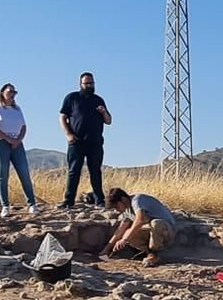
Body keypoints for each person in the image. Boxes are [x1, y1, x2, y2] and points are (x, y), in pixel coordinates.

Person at [0, 83, 40, 219]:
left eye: (14, 92)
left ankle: (32, 204)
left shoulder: (17, 109)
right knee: (2, 174)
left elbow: (23, 127)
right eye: (10, 91)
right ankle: (5, 206)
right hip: (0, 142)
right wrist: (6, 138)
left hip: (17, 143)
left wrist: (18, 140)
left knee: (24, 173)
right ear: (2, 92)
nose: (12, 94)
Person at [59, 72, 111, 208]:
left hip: (95, 142)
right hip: (77, 141)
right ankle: (68, 201)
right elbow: (62, 117)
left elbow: (109, 120)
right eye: (86, 83)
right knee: (74, 170)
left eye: (91, 83)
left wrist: (103, 112)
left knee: (95, 171)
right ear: (80, 84)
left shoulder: (98, 100)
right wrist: (68, 134)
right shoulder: (72, 98)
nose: (89, 85)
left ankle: (99, 200)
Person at [103, 187, 174, 267]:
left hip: (167, 230)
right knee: (127, 233)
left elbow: (140, 220)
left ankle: (154, 254)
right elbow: (120, 230)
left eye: (116, 206)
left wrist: (124, 239)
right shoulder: (126, 211)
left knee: (156, 223)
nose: (116, 210)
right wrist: (106, 250)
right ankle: (149, 252)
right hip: (151, 231)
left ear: (123, 199)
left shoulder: (137, 200)